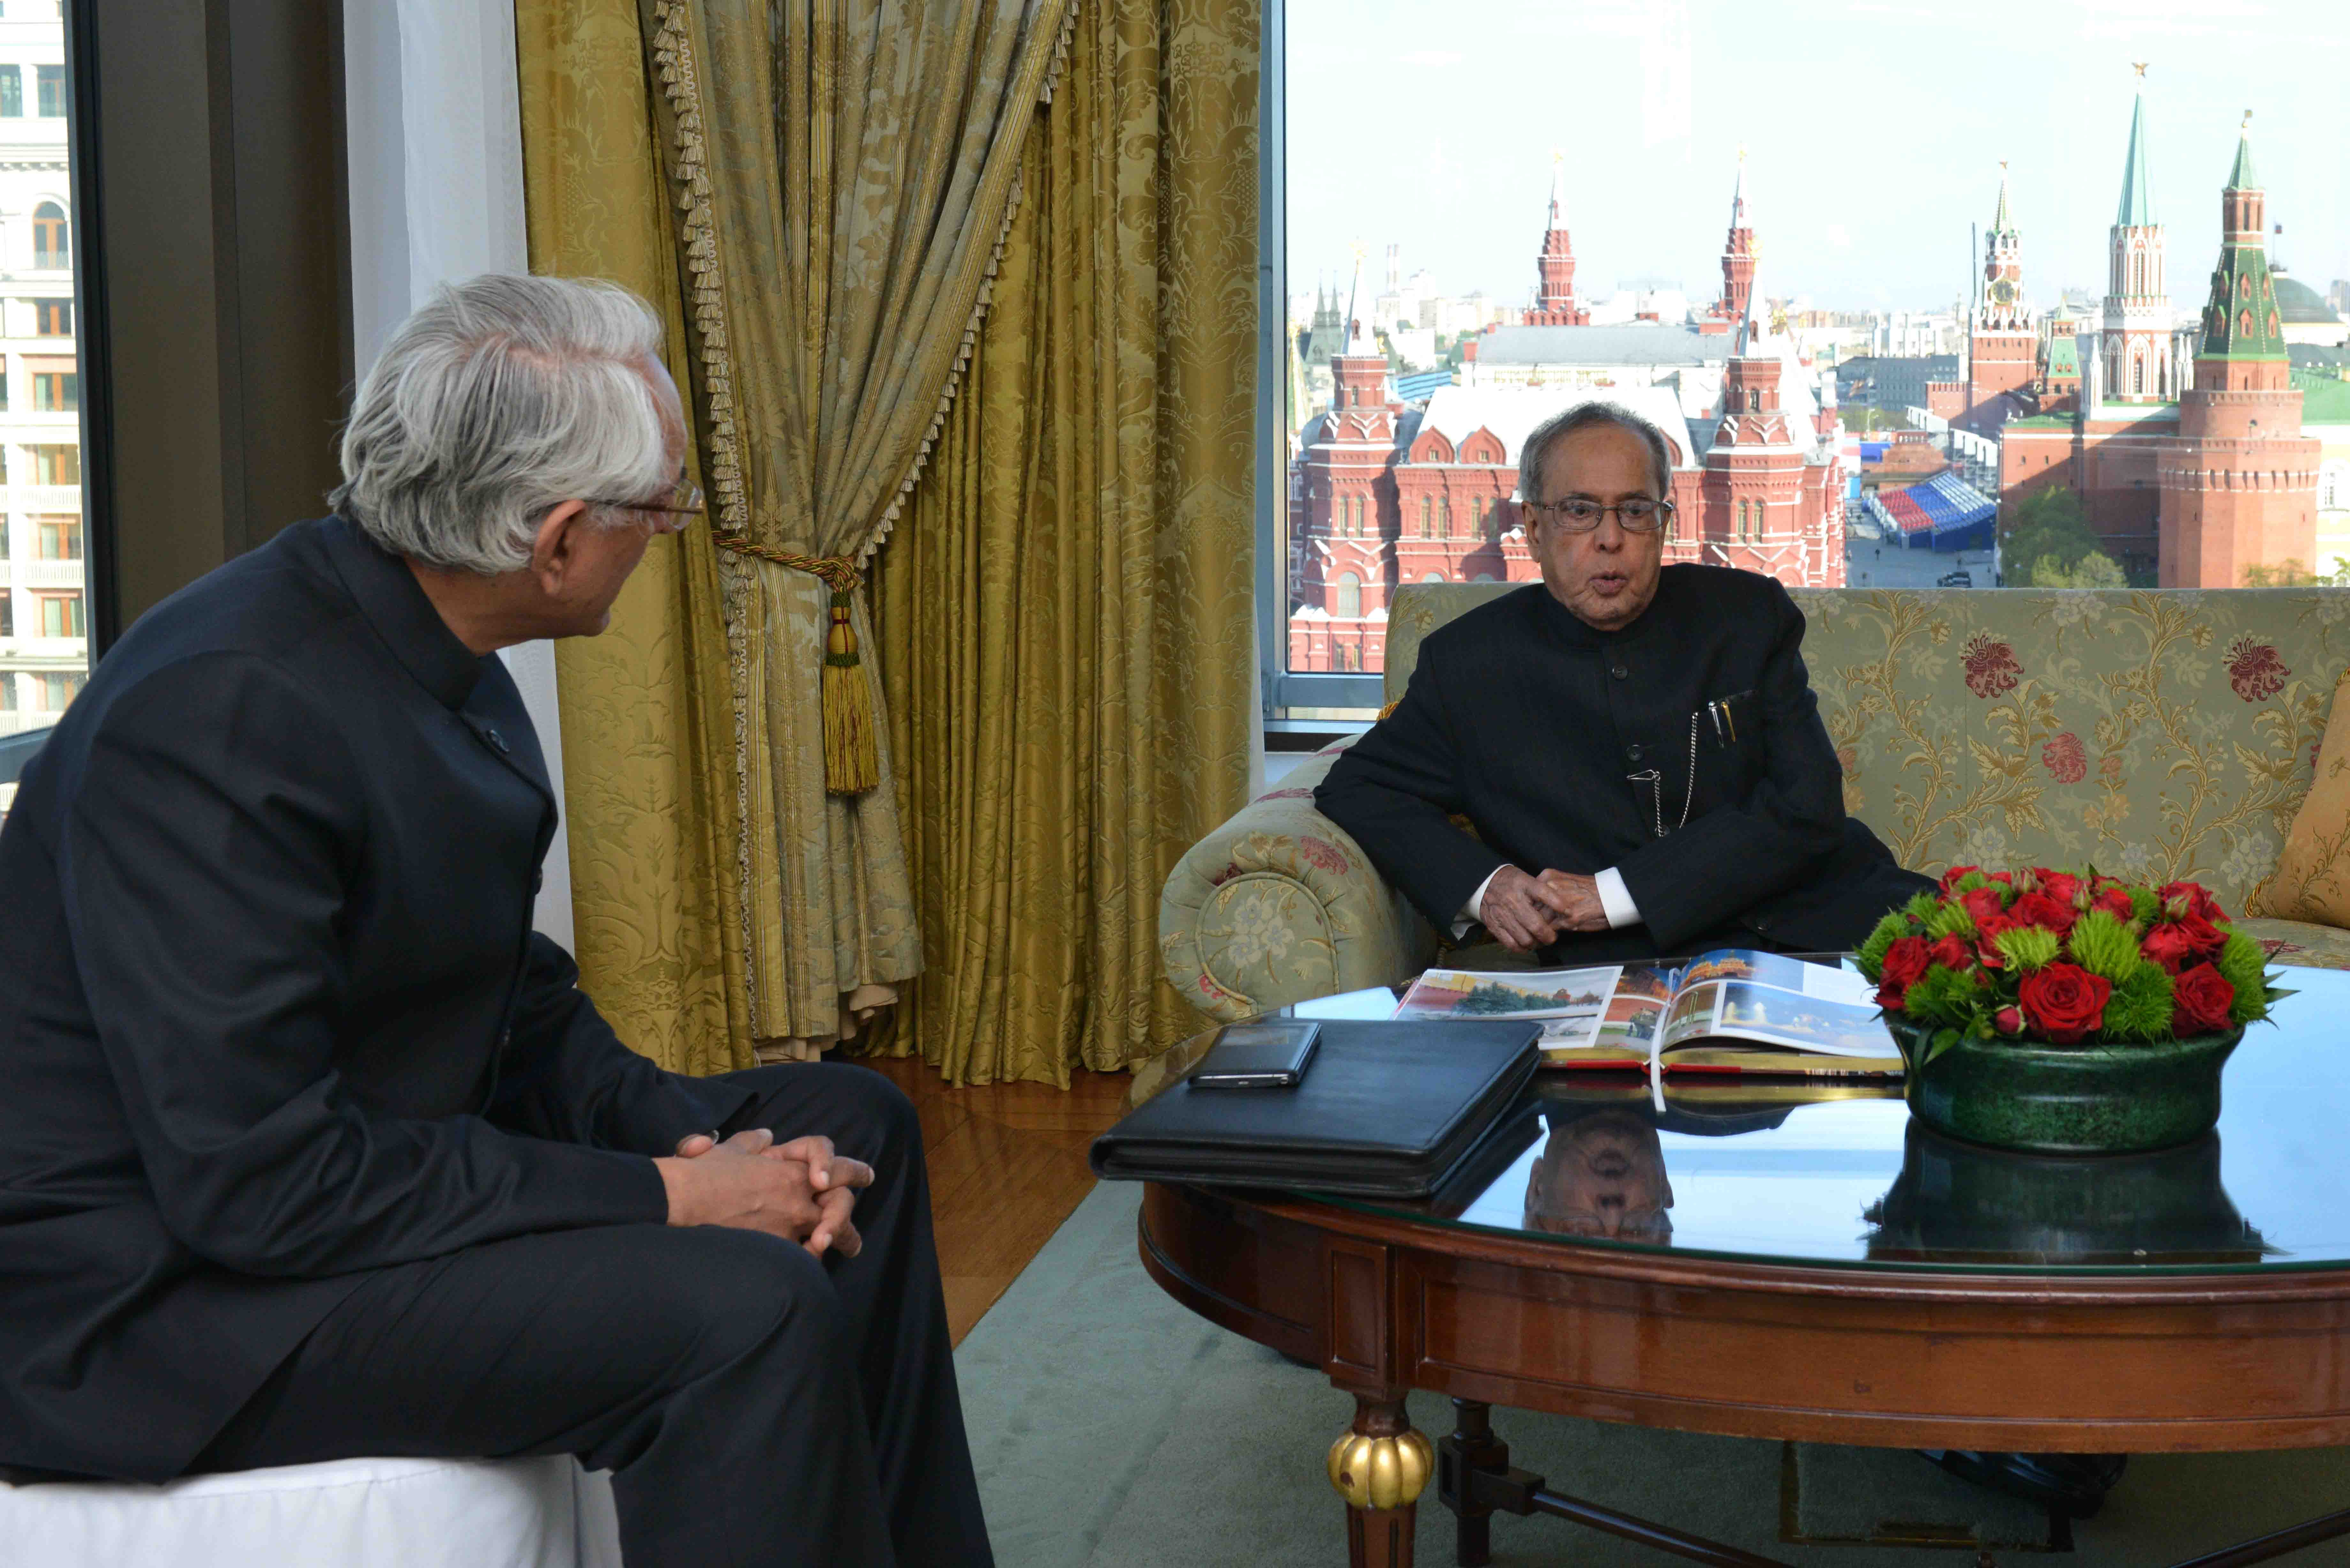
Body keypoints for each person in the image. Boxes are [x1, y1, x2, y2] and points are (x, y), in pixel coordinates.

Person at [0, 275, 989, 1566]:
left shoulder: (428, 646)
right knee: (738, 1308)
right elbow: (263, 1186)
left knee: (856, 1126)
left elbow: (496, 988)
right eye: (663, 511)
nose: (669, 530)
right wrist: (666, 1197)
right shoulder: (226, 711)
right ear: (562, 537)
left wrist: (672, 1131)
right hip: (155, 1302)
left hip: (314, 1195)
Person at [1316, 400, 1931, 965]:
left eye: (1635, 511)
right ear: (1533, 528)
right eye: (1580, 512)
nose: (1610, 539)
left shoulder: (1747, 617)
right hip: (1621, 969)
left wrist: (1611, 895)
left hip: (1836, 926)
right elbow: (1358, 786)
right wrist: (1488, 885)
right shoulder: (1469, 664)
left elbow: (1810, 806)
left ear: (1664, 523)